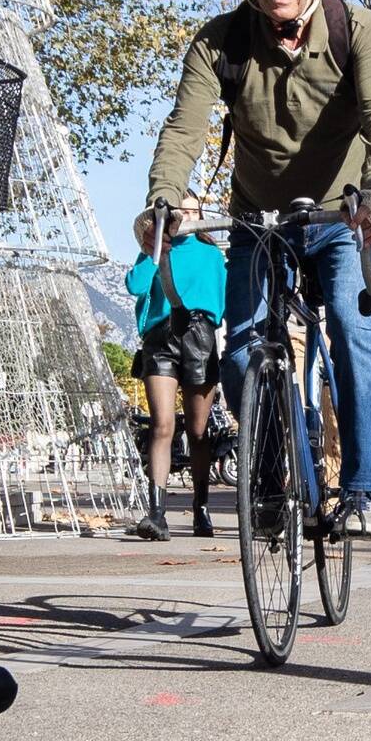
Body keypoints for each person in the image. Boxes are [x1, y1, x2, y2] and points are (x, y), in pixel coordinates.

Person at [141, 0, 371, 544]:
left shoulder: (360, 32)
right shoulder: (220, 41)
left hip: (345, 215)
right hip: (259, 217)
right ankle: (271, 479)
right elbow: (183, 129)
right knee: (242, 349)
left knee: (350, 321)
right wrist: (162, 200)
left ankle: (365, 491)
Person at [123, 214, 229, 540]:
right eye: (175, 212)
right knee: (162, 424)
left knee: (198, 431)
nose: (182, 218)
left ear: (201, 218)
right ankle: (156, 513)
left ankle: (201, 508)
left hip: (199, 335)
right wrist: (156, 251)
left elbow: (221, 303)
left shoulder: (212, 255)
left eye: (190, 211)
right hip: (159, 338)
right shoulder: (153, 249)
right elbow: (134, 286)